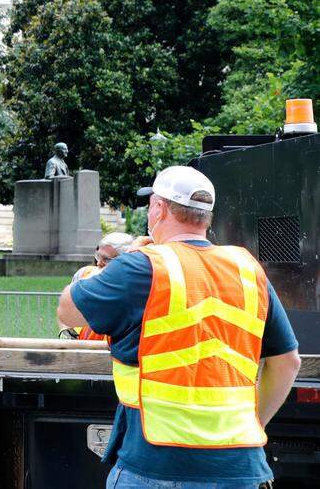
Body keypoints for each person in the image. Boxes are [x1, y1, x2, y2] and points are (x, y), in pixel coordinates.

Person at [57, 166, 301, 487]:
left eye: (150, 204)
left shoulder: (144, 264)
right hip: (238, 464)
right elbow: (288, 362)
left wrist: (126, 257)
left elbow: (68, 311)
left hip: (157, 465)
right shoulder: (246, 269)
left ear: (159, 209)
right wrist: (253, 423)